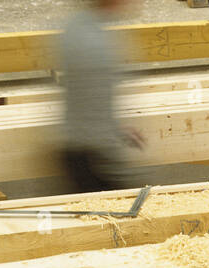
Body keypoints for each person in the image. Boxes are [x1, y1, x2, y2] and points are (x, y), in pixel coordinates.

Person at [57, 0, 145, 192]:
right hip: (89, 156)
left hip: (79, 148)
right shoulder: (96, 43)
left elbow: (86, 99)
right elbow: (93, 109)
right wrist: (120, 172)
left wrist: (116, 128)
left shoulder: (78, 25)